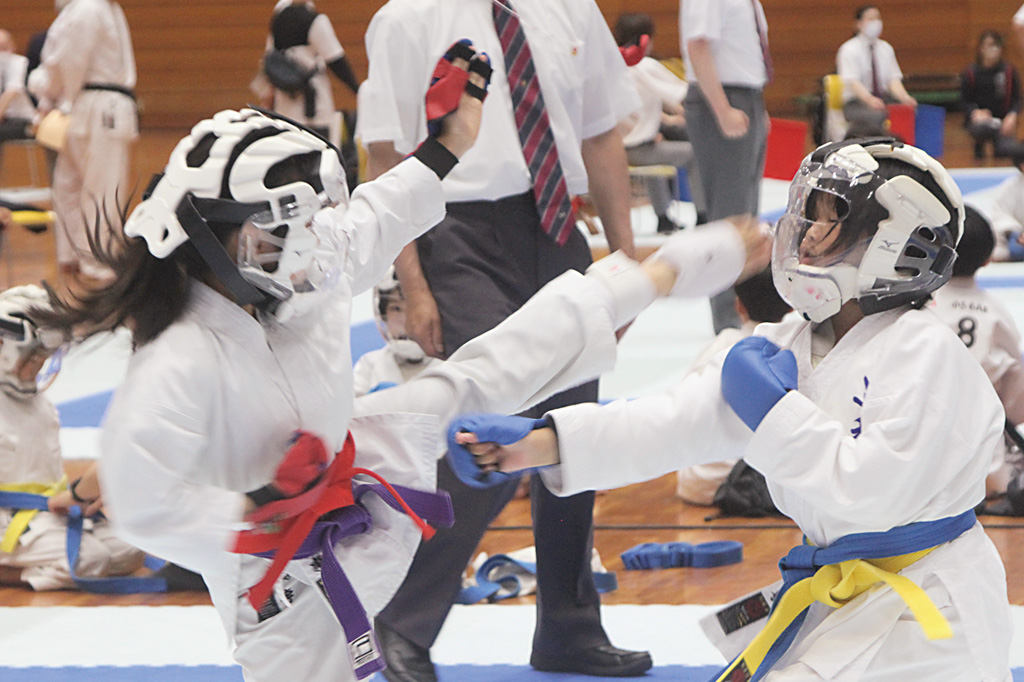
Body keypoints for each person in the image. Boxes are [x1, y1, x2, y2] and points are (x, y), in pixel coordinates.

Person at [452, 138, 1013, 682]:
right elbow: (676, 421)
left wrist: (775, 412)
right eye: (807, 215)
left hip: (927, 612)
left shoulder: (927, 352)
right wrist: (537, 444)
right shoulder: (794, 340)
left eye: (829, 219)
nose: (807, 237)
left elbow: (870, 493)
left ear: (893, 241)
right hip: (852, 596)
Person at [357, 1, 645, 677]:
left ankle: (569, 628)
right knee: (496, 424)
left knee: (573, 429)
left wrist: (628, 266)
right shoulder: (407, 18)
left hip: (554, 228)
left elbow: (601, 134)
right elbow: (383, 155)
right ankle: (398, 620)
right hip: (453, 234)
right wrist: (414, 285)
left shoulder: (570, 9)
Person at [0, 284, 146, 590]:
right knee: (90, 559)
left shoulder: (40, 405)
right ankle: (11, 574)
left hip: (43, 512)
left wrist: (72, 500)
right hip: (7, 522)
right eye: (31, 357)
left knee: (130, 548)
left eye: (43, 357)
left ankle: (40, 559)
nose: (38, 365)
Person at [26, 0, 137, 284]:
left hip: (97, 104)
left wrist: (48, 90)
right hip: (83, 103)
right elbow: (64, 62)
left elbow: (68, 62)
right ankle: (74, 256)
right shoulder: (85, 8)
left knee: (98, 186)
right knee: (72, 185)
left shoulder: (91, 7)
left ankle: (96, 260)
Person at [681, 0, 771, 334]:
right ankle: (727, 322)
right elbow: (698, 44)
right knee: (730, 216)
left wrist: (757, 109)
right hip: (720, 96)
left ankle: (747, 309)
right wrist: (721, 109)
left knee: (747, 216)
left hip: (746, 93)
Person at [929, 205, 1024, 500]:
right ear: (987, 261)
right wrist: (1008, 414)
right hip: (987, 458)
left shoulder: (920, 307)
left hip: (923, 448)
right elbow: (1017, 378)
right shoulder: (996, 313)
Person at [675, 268, 790, 505]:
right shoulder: (790, 351)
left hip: (695, 480)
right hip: (744, 481)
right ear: (791, 306)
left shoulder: (720, 345)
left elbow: (681, 408)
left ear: (738, 306)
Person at [613, 13, 705, 233]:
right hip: (637, 149)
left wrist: (663, 120)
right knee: (694, 154)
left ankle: (664, 217)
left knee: (656, 146)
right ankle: (704, 216)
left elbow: (637, 109)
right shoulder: (645, 66)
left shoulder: (612, 64)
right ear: (647, 39)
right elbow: (681, 95)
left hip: (615, 149)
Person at [259, 0, 360, 143]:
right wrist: (357, 90)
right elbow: (336, 60)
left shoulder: (278, 18)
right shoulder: (313, 19)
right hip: (315, 109)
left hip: (285, 108)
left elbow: (269, 59)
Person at [836, 4, 917, 138]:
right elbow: (853, 82)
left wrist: (905, 98)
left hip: (883, 99)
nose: (875, 22)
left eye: (877, 18)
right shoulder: (848, 49)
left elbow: (893, 80)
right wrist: (870, 100)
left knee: (906, 112)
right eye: (870, 19)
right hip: (856, 103)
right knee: (877, 116)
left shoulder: (886, 48)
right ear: (859, 24)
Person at [960, 30, 1023, 160]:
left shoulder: (1009, 71)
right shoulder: (971, 73)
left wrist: (1012, 115)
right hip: (981, 122)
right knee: (980, 129)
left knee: (1009, 151)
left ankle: (999, 145)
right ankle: (979, 149)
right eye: (988, 45)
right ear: (981, 48)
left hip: (1003, 122)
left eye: (995, 45)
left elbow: (1018, 99)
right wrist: (975, 112)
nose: (992, 49)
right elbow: (963, 101)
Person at [980, 152, 1024, 262]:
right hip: (1017, 240)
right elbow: (999, 214)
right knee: (999, 249)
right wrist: (1015, 233)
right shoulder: (1010, 187)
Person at [0, 31, 36, 148]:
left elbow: (13, 90)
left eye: (4, 47)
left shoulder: (20, 62)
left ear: (12, 46)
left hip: (22, 119)